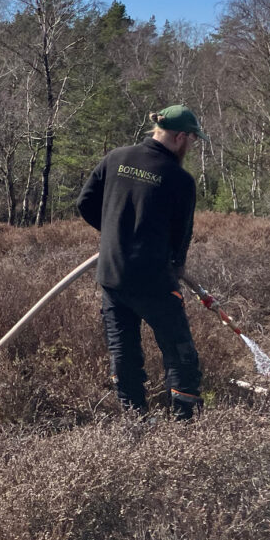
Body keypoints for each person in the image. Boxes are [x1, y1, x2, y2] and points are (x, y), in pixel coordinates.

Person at [77, 105, 205, 421]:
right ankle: (187, 428)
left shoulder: (115, 158)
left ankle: (135, 423)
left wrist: (115, 237)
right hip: (154, 283)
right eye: (192, 140)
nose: (191, 145)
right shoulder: (180, 179)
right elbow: (180, 240)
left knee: (124, 354)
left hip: (112, 276)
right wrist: (173, 269)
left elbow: (85, 203)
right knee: (181, 356)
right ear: (180, 137)